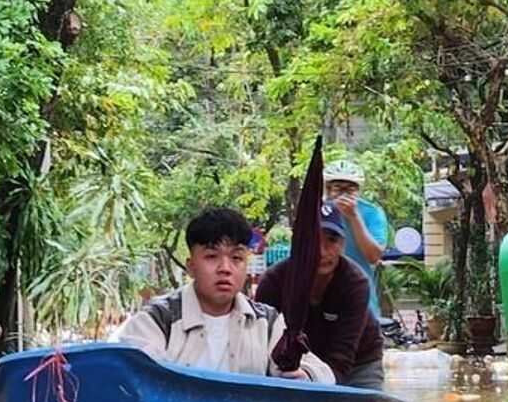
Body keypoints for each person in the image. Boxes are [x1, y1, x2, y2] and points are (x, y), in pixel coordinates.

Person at [114, 207, 333, 383]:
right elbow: (133, 375)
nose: (225, 268)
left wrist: (303, 375)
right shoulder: (157, 320)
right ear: (190, 266)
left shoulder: (267, 323)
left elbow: (323, 375)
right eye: (212, 256)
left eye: (236, 258)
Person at [255, 206, 385, 389]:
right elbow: (261, 342)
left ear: (342, 244)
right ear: (298, 243)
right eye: (313, 240)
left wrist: (315, 380)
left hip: (358, 363)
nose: (323, 252)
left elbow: (342, 357)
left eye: (332, 240)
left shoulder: (355, 284)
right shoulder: (274, 282)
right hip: (295, 363)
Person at [322, 159, 391, 319]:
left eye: (350, 189)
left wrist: (354, 217)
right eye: (338, 188)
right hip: (323, 294)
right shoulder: (317, 210)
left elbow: (373, 256)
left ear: (358, 190)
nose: (343, 194)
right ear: (328, 189)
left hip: (360, 295)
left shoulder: (372, 212)